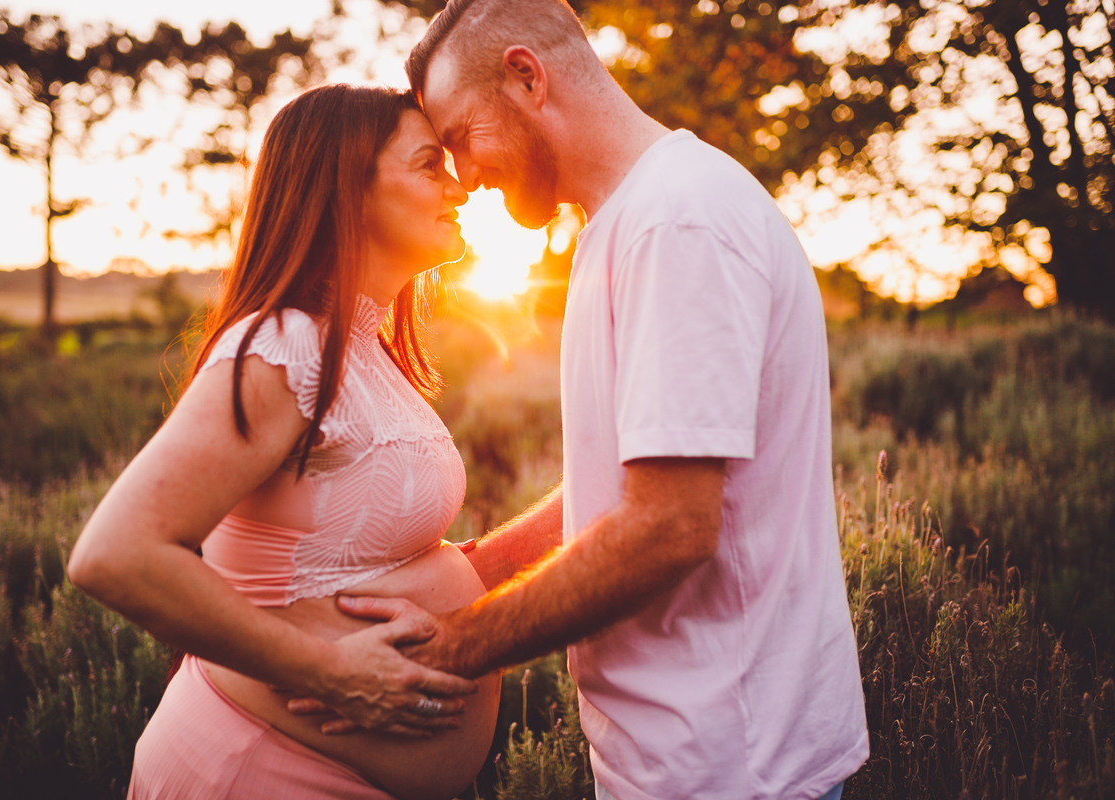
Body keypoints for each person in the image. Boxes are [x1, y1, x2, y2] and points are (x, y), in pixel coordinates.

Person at [324, 1, 871, 798]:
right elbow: (624, 484)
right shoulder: (625, 222)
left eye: (460, 139)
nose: (463, 180)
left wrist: (447, 653)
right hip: (690, 755)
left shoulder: (675, 223)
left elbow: (667, 527)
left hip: (734, 764)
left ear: (526, 77)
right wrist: (470, 573)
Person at [67, 84, 502, 800]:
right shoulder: (285, 345)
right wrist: (332, 674)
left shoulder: (363, 346)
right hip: (257, 770)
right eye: (430, 165)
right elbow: (115, 555)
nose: (460, 185)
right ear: (345, 188)